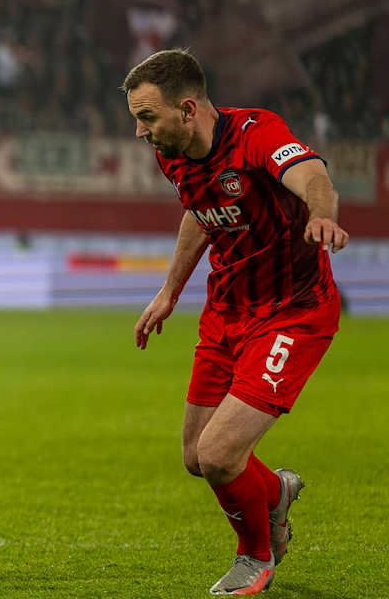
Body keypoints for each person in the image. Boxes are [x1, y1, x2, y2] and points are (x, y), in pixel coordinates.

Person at [125, 49, 347, 596]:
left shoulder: (258, 134)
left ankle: (256, 557)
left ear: (188, 108)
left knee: (220, 455)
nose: (139, 132)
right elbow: (199, 211)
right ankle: (275, 492)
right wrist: (168, 291)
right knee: (195, 457)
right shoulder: (173, 151)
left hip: (292, 311)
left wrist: (322, 214)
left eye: (147, 117)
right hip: (226, 310)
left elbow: (313, 174)